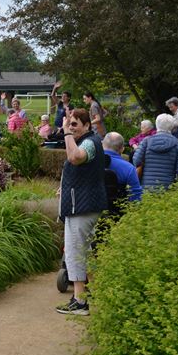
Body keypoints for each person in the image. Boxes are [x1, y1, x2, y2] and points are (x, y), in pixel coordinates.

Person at [55, 109, 107, 316]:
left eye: (75, 124)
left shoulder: (89, 142)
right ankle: (90, 293)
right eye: (70, 123)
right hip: (82, 205)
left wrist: (67, 133)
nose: (72, 127)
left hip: (82, 207)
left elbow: (75, 158)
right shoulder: (90, 140)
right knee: (83, 250)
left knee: (75, 252)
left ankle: (80, 302)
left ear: (87, 125)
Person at [132, 114, 178, 191]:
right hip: (167, 187)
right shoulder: (177, 145)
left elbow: (136, 161)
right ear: (172, 127)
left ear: (157, 125)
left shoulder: (146, 141)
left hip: (147, 186)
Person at [103, 132, 143, 202]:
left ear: (102, 144)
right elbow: (136, 196)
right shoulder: (129, 168)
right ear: (122, 149)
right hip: (118, 210)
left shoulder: (90, 162)